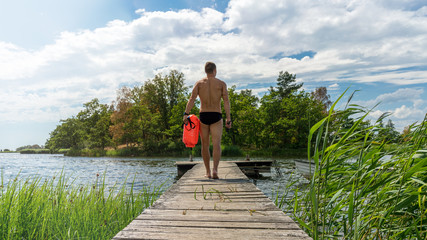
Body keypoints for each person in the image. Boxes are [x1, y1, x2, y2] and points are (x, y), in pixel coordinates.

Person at [183, 62, 231, 179]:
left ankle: (208, 172)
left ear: (206, 71)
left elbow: (192, 99)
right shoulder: (221, 84)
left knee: (205, 145)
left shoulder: (199, 83)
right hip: (216, 115)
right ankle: (215, 170)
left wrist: (186, 114)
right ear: (215, 70)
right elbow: (226, 101)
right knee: (216, 145)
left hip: (204, 115)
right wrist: (228, 118)